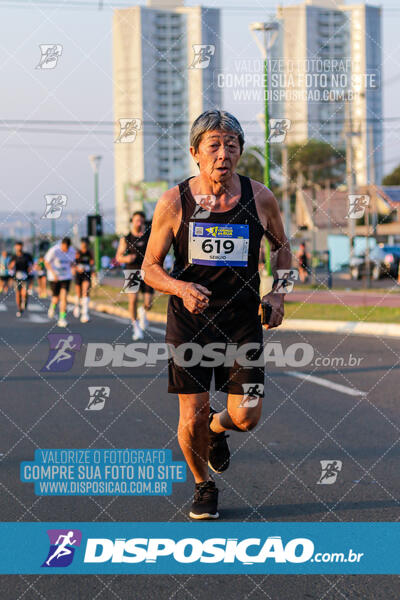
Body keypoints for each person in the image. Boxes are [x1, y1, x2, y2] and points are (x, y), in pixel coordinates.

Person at [142, 109, 291, 519]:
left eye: (232, 145)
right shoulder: (175, 201)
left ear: (241, 152)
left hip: (242, 322)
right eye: (214, 145)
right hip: (191, 322)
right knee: (191, 412)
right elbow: (149, 267)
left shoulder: (260, 197)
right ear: (195, 152)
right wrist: (180, 286)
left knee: (247, 416)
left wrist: (279, 294)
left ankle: (217, 429)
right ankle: (203, 484)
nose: (223, 153)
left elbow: (282, 249)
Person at [116, 211, 154, 340]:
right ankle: (136, 326)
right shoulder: (126, 238)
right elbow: (119, 257)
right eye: (137, 220)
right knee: (133, 300)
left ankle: (143, 311)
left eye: (141, 221)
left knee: (149, 302)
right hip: (131, 271)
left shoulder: (149, 235)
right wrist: (127, 258)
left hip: (147, 271)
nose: (139, 223)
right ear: (132, 221)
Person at [44, 237, 76, 327]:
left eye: (66, 249)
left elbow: (72, 263)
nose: (65, 250)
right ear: (61, 245)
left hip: (66, 277)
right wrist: (53, 273)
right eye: (63, 248)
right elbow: (46, 262)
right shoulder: (54, 250)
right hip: (54, 278)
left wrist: (73, 269)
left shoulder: (72, 251)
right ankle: (52, 307)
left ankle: (62, 318)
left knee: (64, 298)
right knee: (55, 298)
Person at [8, 241, 33, 317]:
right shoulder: (13, 256)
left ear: (22, 247)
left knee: (24, 293)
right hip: (16, 278)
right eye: (17, 246)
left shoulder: (27, 256)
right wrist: (12, 265)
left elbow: (32, 265)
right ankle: (19, 309)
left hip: (25, 277)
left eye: (20, 246)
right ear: (15, 247)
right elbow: (9, 267)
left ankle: (24, 302)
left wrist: (30, 269)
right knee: (18, 294)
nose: (19, 248)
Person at [73, 237, 95, 323]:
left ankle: (85, 313)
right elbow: (73, 263)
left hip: (87, 274)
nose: (84, 245)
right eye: (83, 243)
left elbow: (92, 263)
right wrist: (77, 268)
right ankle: (77, 305)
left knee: (86, 291)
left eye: (86, 244)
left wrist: (93, 271)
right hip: (79, 274)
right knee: (79, 294)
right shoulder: (78, 252)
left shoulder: (90, 252)